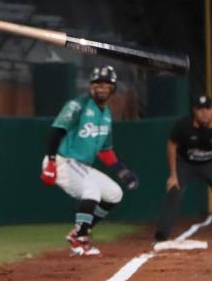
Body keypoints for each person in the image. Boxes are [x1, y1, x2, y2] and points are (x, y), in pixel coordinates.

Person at [39, 65, 139, 257]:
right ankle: (79, 241)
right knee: (91, 191)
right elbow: (55, 131)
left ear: (113, 88)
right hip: (62, 161)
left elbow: (105, 151)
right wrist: (51, 162)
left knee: (114, 193)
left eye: (106, 84)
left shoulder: (107, 114)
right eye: (97, 84)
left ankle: (79, 230)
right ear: (91, 86)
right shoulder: (78, 105)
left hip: (80, 165)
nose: (101, 88)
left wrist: (122, 172)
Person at [154, 95, 212, 246]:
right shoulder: (184, 124)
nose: (204, 113)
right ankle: (161, 237)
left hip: (211, 163)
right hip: (186, 163)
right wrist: (173, 175)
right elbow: (171, 146)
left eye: (208, 109)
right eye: (200, 109)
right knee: (173, 190)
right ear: (194, 111)